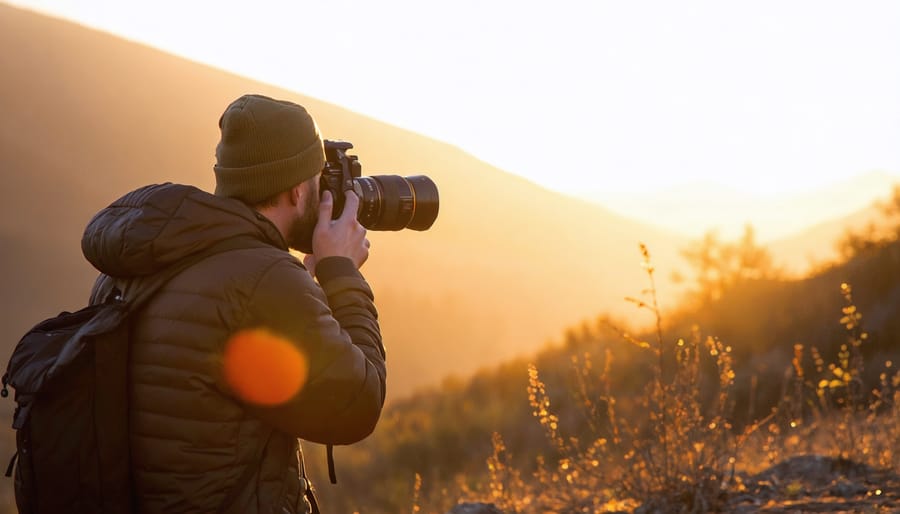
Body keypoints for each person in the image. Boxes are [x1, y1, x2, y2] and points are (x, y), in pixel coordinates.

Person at [82, 94, 386, 513]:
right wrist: (341, 272)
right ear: (298, 191)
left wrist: (304, 294)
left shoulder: (142, 261)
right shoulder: (265, 279)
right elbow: (358, 404)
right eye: (319, 184)